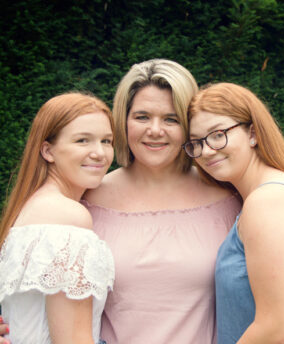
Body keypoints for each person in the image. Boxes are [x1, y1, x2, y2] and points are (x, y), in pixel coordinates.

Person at [81, 59, 242, 343]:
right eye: (142, 117)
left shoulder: (229, 199)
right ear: (123, 120)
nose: (155, 130)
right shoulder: (86, 199)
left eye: (171, 119)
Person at [183, 82, 284, 343]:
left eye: (218, 134)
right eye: (197, 142)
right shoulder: (267, 196)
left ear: (253, 133)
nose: (207, 150)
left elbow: (277, 328)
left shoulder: (268, 202)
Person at [0, 93, 115, 344]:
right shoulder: (67, 217)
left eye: (107, 141)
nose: (100, 153)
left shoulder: (31, 208)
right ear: (48, 151)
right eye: (82, 140)